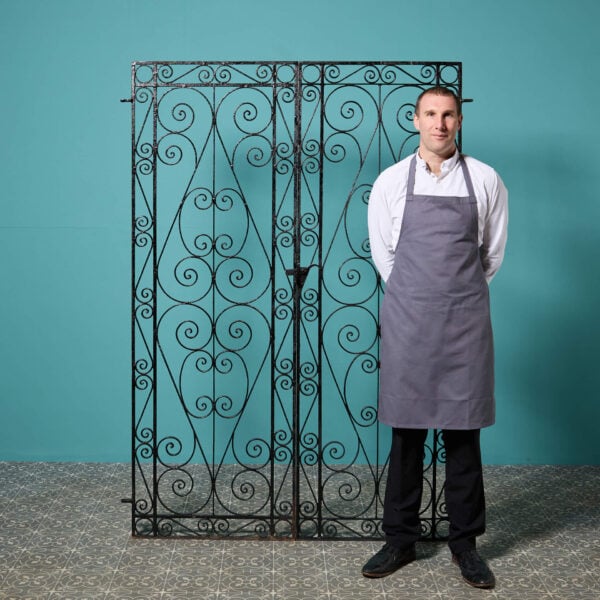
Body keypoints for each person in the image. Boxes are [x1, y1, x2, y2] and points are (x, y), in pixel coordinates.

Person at [363, 86, 508, 589]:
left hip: (465, 323)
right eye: (430, 114)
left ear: (459, 121)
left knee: (463, 436)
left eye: (448, 115)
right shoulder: (390, 181)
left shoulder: (485, 179)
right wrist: (416, 296)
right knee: (407, 434)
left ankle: (465, 545)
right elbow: (384, 255)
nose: (439, 124)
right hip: (409, 322)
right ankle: (399, 540)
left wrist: (456, 295)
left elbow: (491, 255)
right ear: (416, 119)